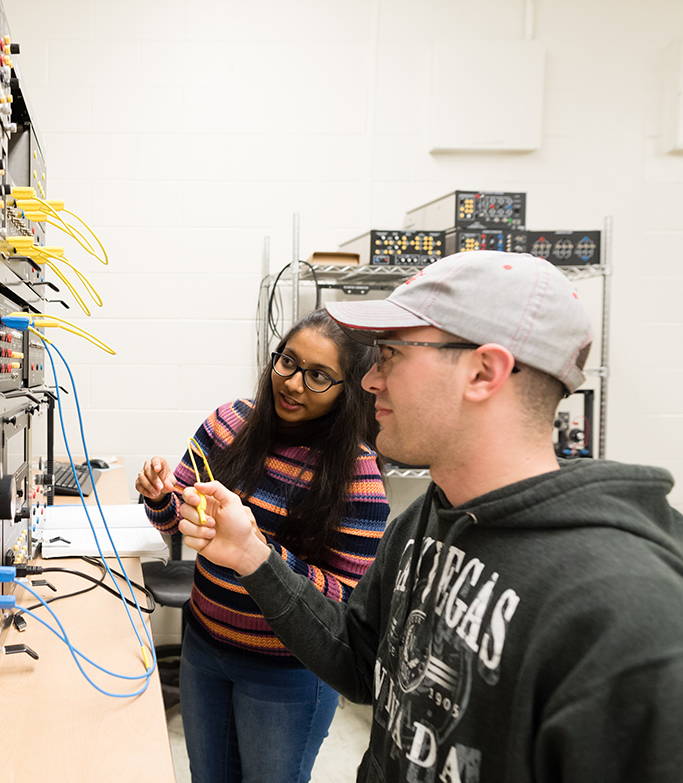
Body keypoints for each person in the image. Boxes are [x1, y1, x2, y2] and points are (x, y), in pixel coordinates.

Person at [177, 250, 683, 783]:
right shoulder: (425, 522)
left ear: (484, 372)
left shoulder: (633, 610)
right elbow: (359, 660)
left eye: (392, 354)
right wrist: (252, 556)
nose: (370, 381)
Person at [136, 307, 390, 783]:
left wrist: (256, 547)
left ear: (348, 390)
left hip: (287, 673)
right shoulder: (229, 423)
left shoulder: (357, 481)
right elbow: (176, 524)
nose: (293, 383)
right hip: (205, 648)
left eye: (318, 376)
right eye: (288, 362)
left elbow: (345, 606)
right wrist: (159, 498)